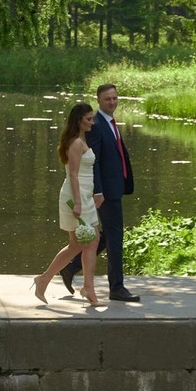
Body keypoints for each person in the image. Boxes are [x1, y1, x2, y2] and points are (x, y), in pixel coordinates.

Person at [61, 83, 139, 303]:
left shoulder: (110, 123)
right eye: (108, 99)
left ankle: (71, 267)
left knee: (103, 237)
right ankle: (117, 287)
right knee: (114, 237)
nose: (112, 102)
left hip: (115, 189)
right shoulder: (96, 125)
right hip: (104, 192)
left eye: (115, 98)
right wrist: (99, 191)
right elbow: (93, 162)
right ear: (99, 101)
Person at [34, 103, 102, 308]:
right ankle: (45, 279)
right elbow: (72, 174)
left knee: (90, 241)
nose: (92, 122)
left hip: (85, 196)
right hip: (75, 197)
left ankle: (86, 287)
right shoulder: (75, 143)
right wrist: (79, 202)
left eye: (92, 118)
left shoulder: (81, 140)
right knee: (80, 244)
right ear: (79, 120)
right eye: (88, 119)